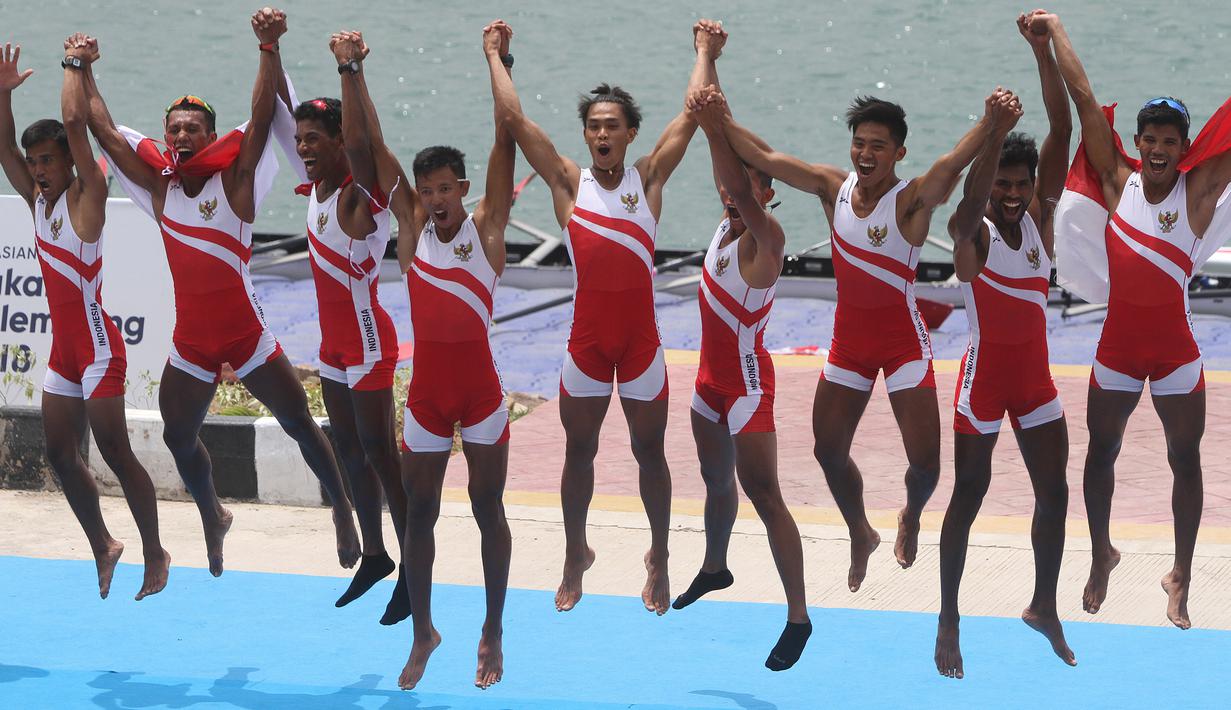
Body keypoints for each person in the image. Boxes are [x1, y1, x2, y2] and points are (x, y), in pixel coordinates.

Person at [78, 8, 361, 576]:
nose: (182, 135)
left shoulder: (234, 184)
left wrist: (267, 48)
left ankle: (342, 512)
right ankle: (213, 514)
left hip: (246, 334)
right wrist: (82, 70)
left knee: (300, 424)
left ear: (210, 137)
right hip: (193, 342)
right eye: (174, 128)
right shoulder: (159, 192)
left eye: (193, 129)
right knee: (179, 437)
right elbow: (105, 131)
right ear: (166, 138)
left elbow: (259, 121)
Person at [714, 66, 1003, 594]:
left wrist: (990, 122)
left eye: (878, 146)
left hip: (902, 344)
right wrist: (715, 113)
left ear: (898, 154)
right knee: (827, 451)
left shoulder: (911, 199)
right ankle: (860, 531)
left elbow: (952, 166)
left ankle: (911, 513)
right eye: (859, 144)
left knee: (926, 465)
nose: (865, 155)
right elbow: (764, 158)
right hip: (849, 342)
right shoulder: (832, 187)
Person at [488, 17, 728, 616]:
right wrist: (498, 58)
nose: (601, 134)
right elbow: (515, 124)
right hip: (588, 344)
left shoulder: (647, 179)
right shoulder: (569, 183)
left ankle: (661, 556)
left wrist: (704, 51)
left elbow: (696, 114)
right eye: (593, 126)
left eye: (611, 126)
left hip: (641, 345)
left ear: (630, 134)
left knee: (652, 455)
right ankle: (576, 553)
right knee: (579, 452)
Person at [1030, 10, 1231, 629]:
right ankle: (1101, 555)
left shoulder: (1197, 193)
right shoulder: (1119, 182)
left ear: (1185, 147)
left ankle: (1181, 575)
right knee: (1099, 458)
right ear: (1138, 143)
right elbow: (1084, 99)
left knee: (1186, 463)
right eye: (1151, 139)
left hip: (1177, 356)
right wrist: (1053, 30)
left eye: (1172, 141)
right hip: (1117, 350)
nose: (1160, 149)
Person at [0, 36, 169, 601]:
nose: (39, 169)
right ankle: (103, 543)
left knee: (115, 452)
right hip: (63, 354)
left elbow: (77, 126)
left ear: (69, 161)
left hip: (99, 349)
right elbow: (3, 146)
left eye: (48, 159)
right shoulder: (38, 202)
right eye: (35, 162)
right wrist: (3, 94)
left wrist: (75, 67)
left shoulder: (86, 197)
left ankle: (154, 549)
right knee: (57, 453)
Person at [934, 18, 1076, 677]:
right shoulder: (976, 229)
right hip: (981, 382)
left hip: (1035, 381)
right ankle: (948, 618)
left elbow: (1061, 129)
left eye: (1020, 186)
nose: (1012, 194)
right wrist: (990, 134)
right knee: (969, 495)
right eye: (1003, 185)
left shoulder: (1040, 216)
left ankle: (1042, 606)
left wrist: (1040, 50)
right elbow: (965, 201)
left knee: (1055, 493)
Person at [385, 20, 516, 690]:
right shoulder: (409, 236)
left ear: (463, 189)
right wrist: (351, 71)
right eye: (425, 190)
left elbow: (506, 132)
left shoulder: (487, 232)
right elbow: (367, 146)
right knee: (418, 513)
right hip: (429, 399)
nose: (436, 199)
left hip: (483, 396)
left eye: (445, 188)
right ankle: (424, 630)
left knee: (488, 509)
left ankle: (492, 627)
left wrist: (496, 57)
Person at [671, 82, 811, 671]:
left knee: (766, 496)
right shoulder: (725, 224)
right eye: (731, 185)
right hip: (707, 384)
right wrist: (712, 93)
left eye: (749, 188)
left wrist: (712, 125)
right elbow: (725, 173)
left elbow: (735, 183)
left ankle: (798, 618)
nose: (733, 194)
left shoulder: (767, 240)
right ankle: (715, 566)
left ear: (767, 192)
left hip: (748, 388)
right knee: (713, 478)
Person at [280, 35, 411, 623]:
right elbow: (289, 119)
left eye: (315, 140)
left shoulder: (361, 201)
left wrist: (350, 70)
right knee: (351, 452)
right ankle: (375, 555)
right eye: (300, 140)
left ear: (338, 147)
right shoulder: (316, 191)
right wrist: (271, 49)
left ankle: (414, 567)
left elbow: (364, 140)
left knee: (382, 456)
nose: (303, 148)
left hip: (368, 342)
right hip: (333, 346)